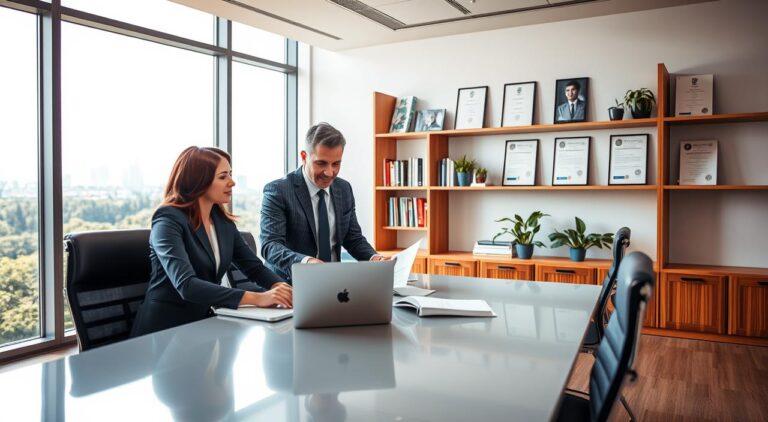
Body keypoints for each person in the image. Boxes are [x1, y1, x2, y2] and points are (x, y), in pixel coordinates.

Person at [131, 146, 292, 337]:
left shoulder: (222, 223)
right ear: (199, 181)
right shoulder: (167, 220)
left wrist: (284, 291)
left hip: (202, 327)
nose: (232, 182)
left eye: (230, 174)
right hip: (163, 332)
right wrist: (258, 298)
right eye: (223, 177)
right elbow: (187, 285)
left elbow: (254, 268)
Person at [260, 122, 389, 282]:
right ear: (304, 156)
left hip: (335, 285)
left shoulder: (344, 189)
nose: (329, 172)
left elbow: (353, 238)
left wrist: (373, 258)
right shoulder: (278, 191)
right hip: (289, 286)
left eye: (336, 164)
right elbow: (270, 246)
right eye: (321, 163)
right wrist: (307, 262)